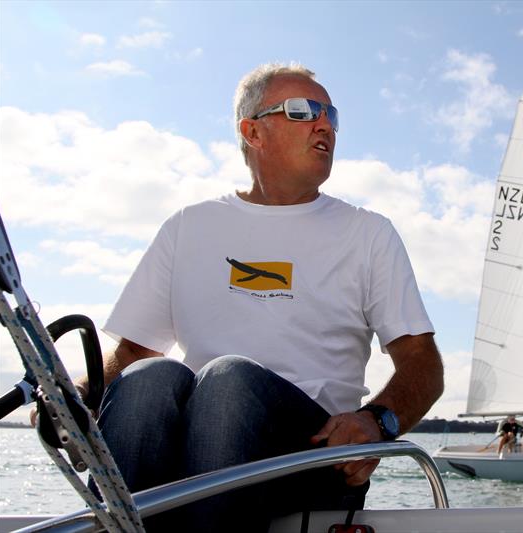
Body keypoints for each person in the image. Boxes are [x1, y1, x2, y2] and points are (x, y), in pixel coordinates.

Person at [63, 63, 444, 530]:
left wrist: (375, 422)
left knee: (228, 380)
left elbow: (423, 364)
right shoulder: (189, 227)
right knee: (148, 377)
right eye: (304, 111)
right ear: (253, 131)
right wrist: (75, 397)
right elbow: (132, 353)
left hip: (314, 459)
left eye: (331, 115)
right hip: (191, 456)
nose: (325, 124)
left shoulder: (368, 234)